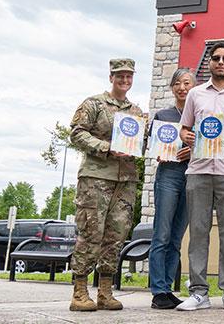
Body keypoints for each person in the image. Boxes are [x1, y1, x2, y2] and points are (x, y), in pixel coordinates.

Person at [177, 43, 224, 312]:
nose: (221, 62)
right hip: (198, 170)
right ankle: (198, 292)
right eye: (216, 58)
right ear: (209, 63)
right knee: (198, 232)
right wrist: (185, 135)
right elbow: (184, 128)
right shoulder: (195, 94)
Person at [68, 58, 145, 312]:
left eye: (129, 77)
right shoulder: (94, 104)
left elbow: (141, 143)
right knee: (91, 232)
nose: (124, 81)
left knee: (116, 235)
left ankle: (105, 291)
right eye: (120, 76)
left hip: (125, 180)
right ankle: (80, 292)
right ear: (111, 77)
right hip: (96, 178)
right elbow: (77, 133)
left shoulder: (135, 112)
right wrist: (106, 147)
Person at [149, 69, 195, 309]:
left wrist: (193, 150)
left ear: (194, 86)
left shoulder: (201, 116)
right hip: (168, 175)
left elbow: (213, 144)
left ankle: (168, 287)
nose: (182, 87)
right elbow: (152, 145)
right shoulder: (163, 114)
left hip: (193, 175)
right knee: (162, 234)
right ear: (172, 87)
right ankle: (158, 290)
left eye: (187, 83)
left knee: (176, 237)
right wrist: (160, 152)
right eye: (177, 83)